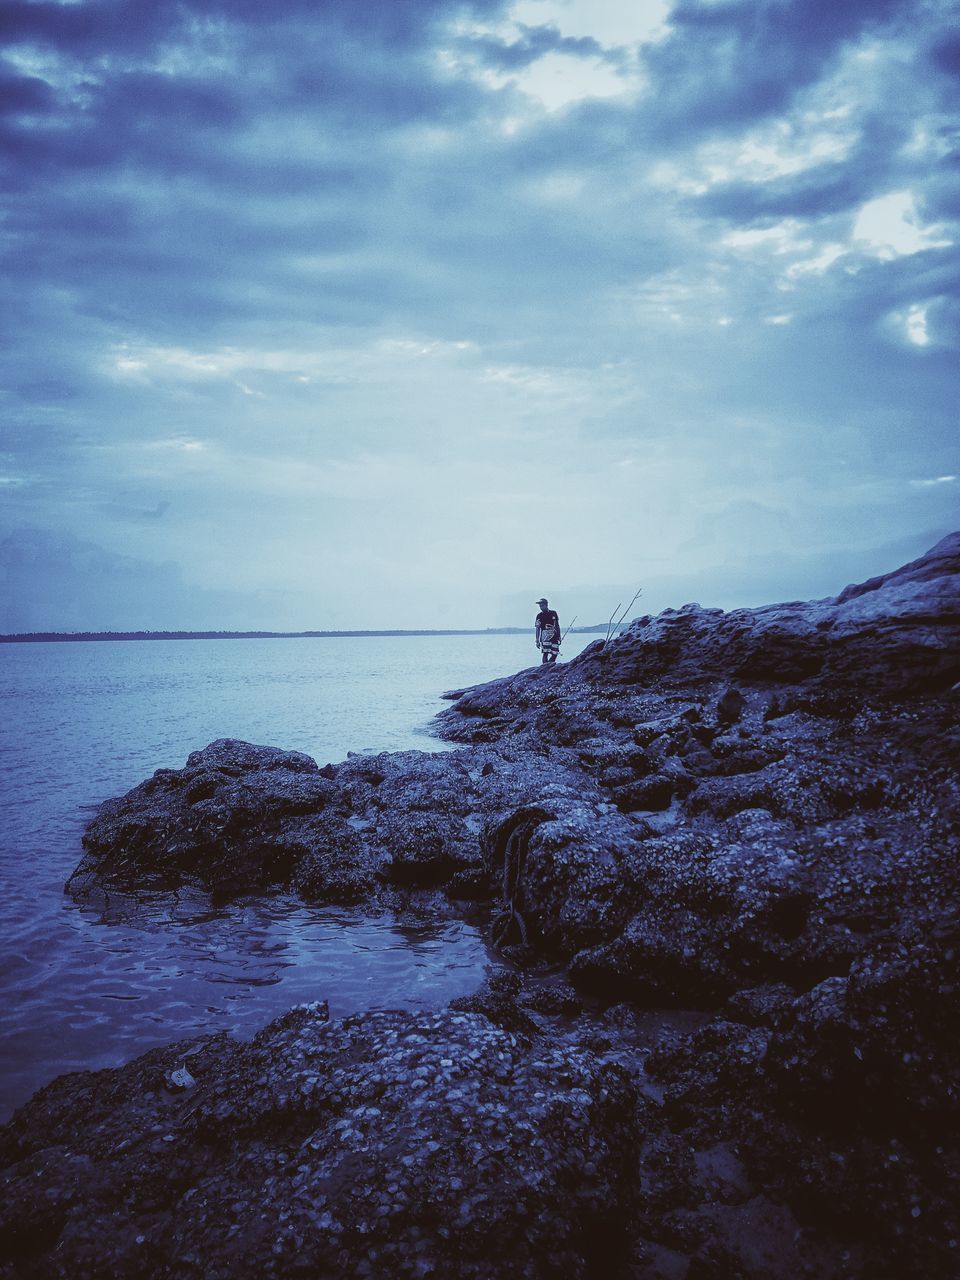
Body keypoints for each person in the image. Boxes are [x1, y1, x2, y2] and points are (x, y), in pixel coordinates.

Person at [535, 597, 560, 664]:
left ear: (546, 605)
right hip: (544, 637)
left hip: (554, 635)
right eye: (540, 606)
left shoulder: (553, 613)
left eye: (542, 606)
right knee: (545, 652)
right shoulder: (539, 616)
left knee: (555, 652)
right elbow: (537, 628)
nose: (541, 608)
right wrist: (537, 640)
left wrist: (559, 636)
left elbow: (557, 625)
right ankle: (545, 667)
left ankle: (549, 665)